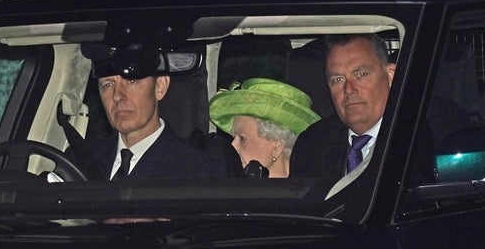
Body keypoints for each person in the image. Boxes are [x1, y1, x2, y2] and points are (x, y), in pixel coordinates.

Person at [85, 45, 226, 180]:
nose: (117, 96)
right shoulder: (81, 161)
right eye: (108, 84)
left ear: (160, 87)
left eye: (132, 81)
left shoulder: (198, 171)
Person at [290, 34, 395, 183]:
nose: (349, 89)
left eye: (360, 74)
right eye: (337, 79)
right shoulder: (312, 144)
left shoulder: (415, 136)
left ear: (391, 76)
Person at [209, 78, 321, 178]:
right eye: (233, 138)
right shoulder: (228, 191)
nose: (233, 146)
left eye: (242, 139)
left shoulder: (312, 193)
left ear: (278, 145)